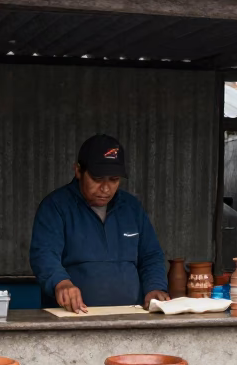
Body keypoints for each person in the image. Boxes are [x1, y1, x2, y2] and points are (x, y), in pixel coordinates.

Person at [30, 134, 170, 313]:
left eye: (114, 180)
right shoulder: (56, 206)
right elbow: (44, 254)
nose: (105, 188)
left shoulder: (131, 208)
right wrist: (61, 283)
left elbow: (150, 255)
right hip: (72, 320)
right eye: (97, 179)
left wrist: (155, 287)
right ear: (78, 171)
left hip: (129, 318)